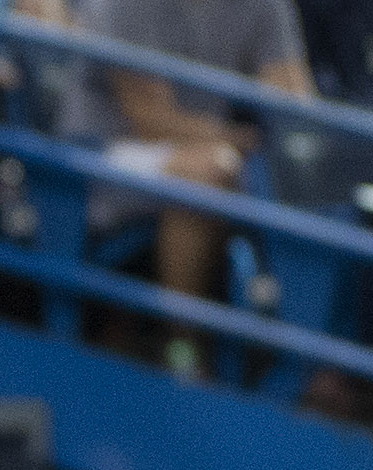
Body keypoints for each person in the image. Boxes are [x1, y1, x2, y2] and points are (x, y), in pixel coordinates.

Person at [65, 0, 314, 375]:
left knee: (306, 176)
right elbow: (151, 119)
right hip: (104, 150)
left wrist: (288, 139)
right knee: (210, 173)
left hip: (216, 146)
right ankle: (184, 349)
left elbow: (296, 105)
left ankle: (314, 365)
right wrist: (245, 140)